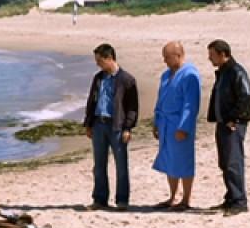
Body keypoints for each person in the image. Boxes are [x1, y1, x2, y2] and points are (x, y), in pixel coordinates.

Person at [83, 43, 139, 211]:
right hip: (99, 124)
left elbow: (132, 107)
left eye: (100, 61)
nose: (97, 64)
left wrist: (128, 128)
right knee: (99, 165)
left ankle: (122, 200)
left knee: (121, 165)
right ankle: (100, 199)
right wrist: (88, 123)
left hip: (117, 126)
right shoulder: (98, 78)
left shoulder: (127, 79)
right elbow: (91, 101)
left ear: (109, 58)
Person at [151, 42, 201, 211]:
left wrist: (184, 127)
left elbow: (190, 104)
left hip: (179, 125)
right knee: (169, 160)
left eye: (167, 57)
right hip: (165, 123)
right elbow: (160, 99)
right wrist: (156, 121)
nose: (164, 60)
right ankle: (172, 196)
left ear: (178, 55)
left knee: (183, 161)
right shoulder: (166, 75)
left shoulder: (189, 75)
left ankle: (186, 199)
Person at [207, 39, 250, 217]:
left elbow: (246, 95)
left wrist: (234, 118)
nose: (209, 58)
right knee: (225, 162)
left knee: (233, 162)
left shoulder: (236, 71)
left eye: (212, 55)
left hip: (232, 124)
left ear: (222, 54)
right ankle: (231, 198)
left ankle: (239, 201)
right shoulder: (225, 72)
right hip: (223, 122)